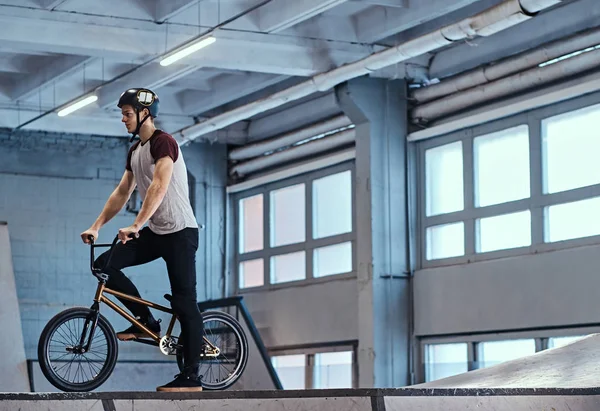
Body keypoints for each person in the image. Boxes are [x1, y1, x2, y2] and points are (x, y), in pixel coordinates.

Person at [80, 88, 204, 392]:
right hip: (156, 233)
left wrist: (136, 224)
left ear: (144, 114)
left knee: (184, 302)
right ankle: (147, 322)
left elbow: (159, 186)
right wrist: (96, 225)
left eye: (127, 114)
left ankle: (192, 377)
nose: (123, 119)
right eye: (122, 114)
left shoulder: (165, 143)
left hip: (180, 233)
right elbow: (123, 192)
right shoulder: (136, 151)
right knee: (105, 265)